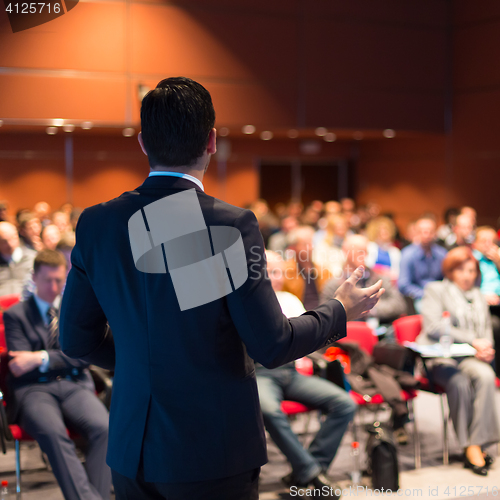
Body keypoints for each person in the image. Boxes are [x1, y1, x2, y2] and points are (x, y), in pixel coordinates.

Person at [58, 77, 383, 500]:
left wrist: (148, 358)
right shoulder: (228, 225)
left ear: (142, 143)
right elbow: (271, 344)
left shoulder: (97, 222)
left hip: (131, 448)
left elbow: (75, 339)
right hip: (212, 448)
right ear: (211, 140)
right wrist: (338, 309)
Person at [3, 249, 111, 499]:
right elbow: (19, 365)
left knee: (104, 429)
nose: (54, 287)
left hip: (74, 384)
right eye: (48, 280)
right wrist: (64, 358)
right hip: (33, 390)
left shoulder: (75, 311)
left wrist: (40, 357)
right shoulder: (15, 314)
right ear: (34, 277)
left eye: (59, 280)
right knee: (53, 434)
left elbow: (83, 357)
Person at [257, 251, 355, 497]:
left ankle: (308, 469)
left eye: (277, 271)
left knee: (344, 403)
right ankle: (312, 474)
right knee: (268, 410)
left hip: (290, 371)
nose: (272, 277)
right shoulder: (249, 304)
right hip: (261, 374)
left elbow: (308, 340)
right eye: (266, 271)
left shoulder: (290, 299)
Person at [418, 247, 500, 476]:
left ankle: (475, 444)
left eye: (472, 270)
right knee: (460, 382)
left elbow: (486, 332)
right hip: (439, 358)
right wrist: (473, 340)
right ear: (451, 270)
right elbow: (433, 327)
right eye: (461, 270)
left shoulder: (478, 295)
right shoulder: (436, 290)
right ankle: (469, 446)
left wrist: (486, 349)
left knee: (485, 375)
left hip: (468, 357)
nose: (467, 275)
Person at [398, 217, 447, 313]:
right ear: (416, 233)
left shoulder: (442, 254)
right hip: (419, 297)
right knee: (430, 311)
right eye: (423, 231)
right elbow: (403, 285)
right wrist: (424, 294)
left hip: (440, 295)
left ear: (435, 233)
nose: (426, 235)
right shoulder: (407, 254)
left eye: (430, 231)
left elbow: (447, 279)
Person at [0, 221, 36, 296]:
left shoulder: (32, 258)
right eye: (4, 241)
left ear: (17, 236)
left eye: (12, 238)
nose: (10, 244)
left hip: (26, 304)